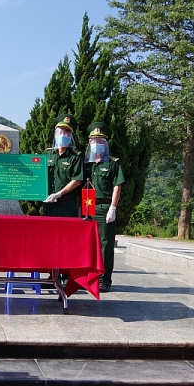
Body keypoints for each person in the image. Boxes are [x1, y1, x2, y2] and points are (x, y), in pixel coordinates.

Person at [84, 122, 125, 292]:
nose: (97, 144)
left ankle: (105, 279)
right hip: (87, 207)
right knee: (88, 245)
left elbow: (117, 185)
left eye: (100, 141)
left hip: (104, 207)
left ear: (105, 144)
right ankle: (89, 277)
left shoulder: (113, 163)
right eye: (94, 141)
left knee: (105, 245)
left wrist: (113, 208)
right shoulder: (86, 163)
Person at [43, 113, 83, 217]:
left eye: (67, 133)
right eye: (60, 132)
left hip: (67, 204)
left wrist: (59, 194)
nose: (63, 135)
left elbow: (77, 180)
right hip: (48, 203)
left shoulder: (75, 157)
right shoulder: (48, 155)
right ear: (55, 134)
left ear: (71, 137)